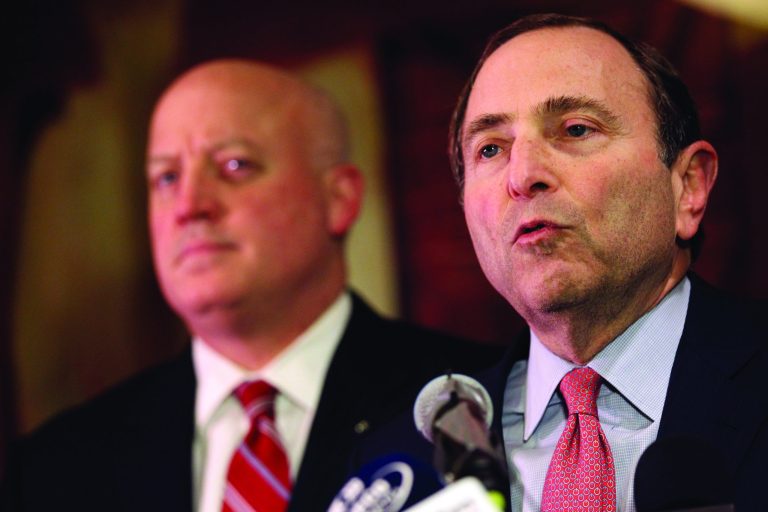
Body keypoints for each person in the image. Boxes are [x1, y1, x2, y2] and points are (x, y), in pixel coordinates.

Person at [2, 60, 503, 511]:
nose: (190, 205)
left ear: (339, 198)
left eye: (235, 166)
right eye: (166, 178)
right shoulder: (55, 466)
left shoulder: (475, 407)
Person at [356, 13, 768, 512]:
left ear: (688, 187)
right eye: (490, 149)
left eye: (575, 129)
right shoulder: (402, 467)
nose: (524, 174)